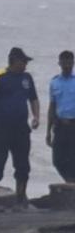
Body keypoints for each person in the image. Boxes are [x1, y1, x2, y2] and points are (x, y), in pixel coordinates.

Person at [0, 47, 41, 211]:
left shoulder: (27, 78)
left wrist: (36, 117)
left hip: (21, 128)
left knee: (22, 165)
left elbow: (34, 99)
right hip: (1, 128)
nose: (26, 65)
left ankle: (20, 202)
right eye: (24, 61)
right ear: (14, 61)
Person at [48, 50, 75, 183]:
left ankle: (71, 185)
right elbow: (52, 106)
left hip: (73, 125)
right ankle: (70, 182)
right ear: (59, 63)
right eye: (64, 62)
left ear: (73, 63)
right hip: (59, 126)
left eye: (70, 62)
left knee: (72, 159)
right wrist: (48, 131)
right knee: (57, 160)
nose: (67, 65)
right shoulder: (54, 82)